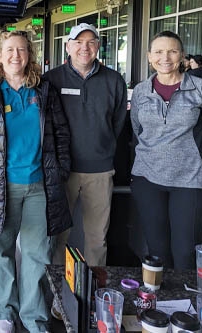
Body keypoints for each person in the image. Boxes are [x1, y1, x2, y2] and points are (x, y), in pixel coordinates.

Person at [0, 30, 71, 333]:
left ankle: (33, 316)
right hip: (1, 189)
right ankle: (3, 312)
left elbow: (61, 135)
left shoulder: (44, 91)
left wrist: (60, 172)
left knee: (38, 254)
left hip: (40, 186)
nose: (16, 55)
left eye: (22, 50)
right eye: (9, 50)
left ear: (30, 54)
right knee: (1, 251)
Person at [44, 23, 127, 267]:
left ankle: (94, 295)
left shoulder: (113, 80)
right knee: (58, 237)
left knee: (97, 238)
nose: (84, 47)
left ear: (98, 47)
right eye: (78, 42)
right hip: (61, 171)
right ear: (67, 46)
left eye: (91, 42)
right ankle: (60, 297)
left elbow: (118, 122)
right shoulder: (51, 80)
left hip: (100, 171)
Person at [130, 31, 202, 269]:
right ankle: (160, 304)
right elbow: (137, 130)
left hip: (191, 180)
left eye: (172, 51)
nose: (165, 57)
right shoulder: (141, 91)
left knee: (185, 252)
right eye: (158, 52)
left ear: (182, 56)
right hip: (147, 179)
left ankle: (186, 304)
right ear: (149, 57)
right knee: (157, 251)